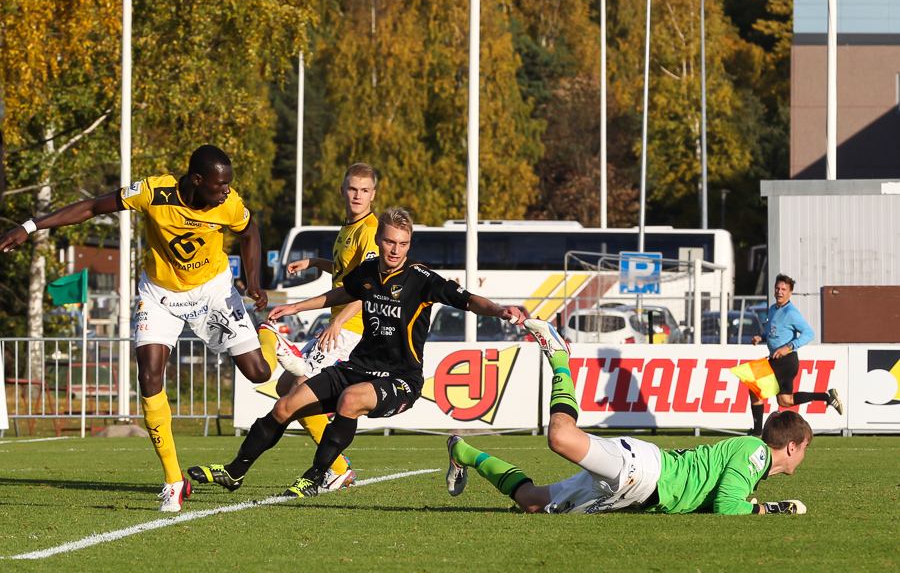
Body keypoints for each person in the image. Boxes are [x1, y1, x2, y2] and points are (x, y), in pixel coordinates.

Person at [0, 145, 278, 512]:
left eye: (229, 184)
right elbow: (92, 207)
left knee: (260, 373)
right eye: (219, 184)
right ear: (197, 180)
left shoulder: (228, 203)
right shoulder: (153, 192)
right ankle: (173, 481)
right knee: (149, 377)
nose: (227, 190)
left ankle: (272, 336)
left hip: (212, 291)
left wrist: (253, 281)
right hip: (160, 294)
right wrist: (30, 226)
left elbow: (250, 231)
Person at [188, 207, 526, 497]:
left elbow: (468, 300)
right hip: (359, 367)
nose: (396, 249)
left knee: (350, 399)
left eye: (403, 243)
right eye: (391, 241)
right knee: (286, 403)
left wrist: (498, 310)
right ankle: (235, 472)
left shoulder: (422, 279)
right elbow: (340, 294)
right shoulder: (367, 271)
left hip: (401, 380)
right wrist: (295, 308)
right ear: (379, 238)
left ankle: (318, 475)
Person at [445, 319, 812, 515]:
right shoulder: (757, 453)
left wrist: (752, 502)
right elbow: (725, 507)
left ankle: (464, 453)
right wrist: (770, 509)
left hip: (635, 492)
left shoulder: (755, 464)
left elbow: (726, 498)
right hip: (642, 471)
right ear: (792, 446)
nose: (805, 454)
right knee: (560, 436)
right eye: (806, 447)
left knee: (532, 502)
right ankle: (560, 358)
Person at [253, 163, 380, 490]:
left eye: (364, 191)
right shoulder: (349, 226)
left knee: (299, 391)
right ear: (343, 190)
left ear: (373, 195)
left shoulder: (370, 231)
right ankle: (337, 461)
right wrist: (313, 263)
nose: (357, 195)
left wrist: (337, 320)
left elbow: (370, 285)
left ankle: (337, 467)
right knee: (286, 387)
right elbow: (345, 274)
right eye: (353, 189)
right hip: (338, 325)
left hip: (352, 330)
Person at [749, 273, 843, 435]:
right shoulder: (773, 309)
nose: (779, 291)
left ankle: (757, 431)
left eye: (783, 289)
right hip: (778, 360)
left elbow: (809, 333)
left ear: (790, 292)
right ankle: (827, 396)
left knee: (755, 387)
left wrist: (789, 346)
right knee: (786, 401)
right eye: (777, 288)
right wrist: (761, 337)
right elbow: (773, 332)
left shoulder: (791, 312)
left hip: (786, 361)